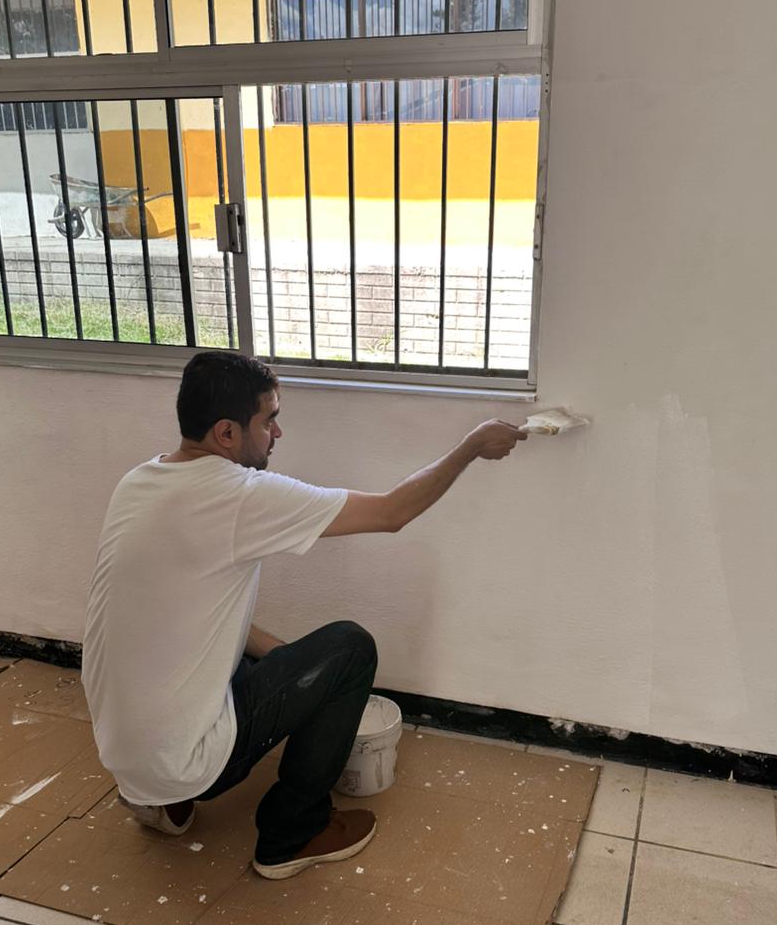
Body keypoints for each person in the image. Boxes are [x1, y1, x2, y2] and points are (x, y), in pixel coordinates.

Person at [81, 351, 526, 880]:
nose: (278, 432)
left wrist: (295, 667)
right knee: (350, 649)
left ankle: (163, 800)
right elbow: (392, 512)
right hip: (183, 761)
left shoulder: (140, 481)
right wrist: (472, 446)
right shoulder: (237, 495)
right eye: (268, 419)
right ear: (227, 433)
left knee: (291, 660)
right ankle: (293, 834)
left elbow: (195, 619)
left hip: (125, 753)